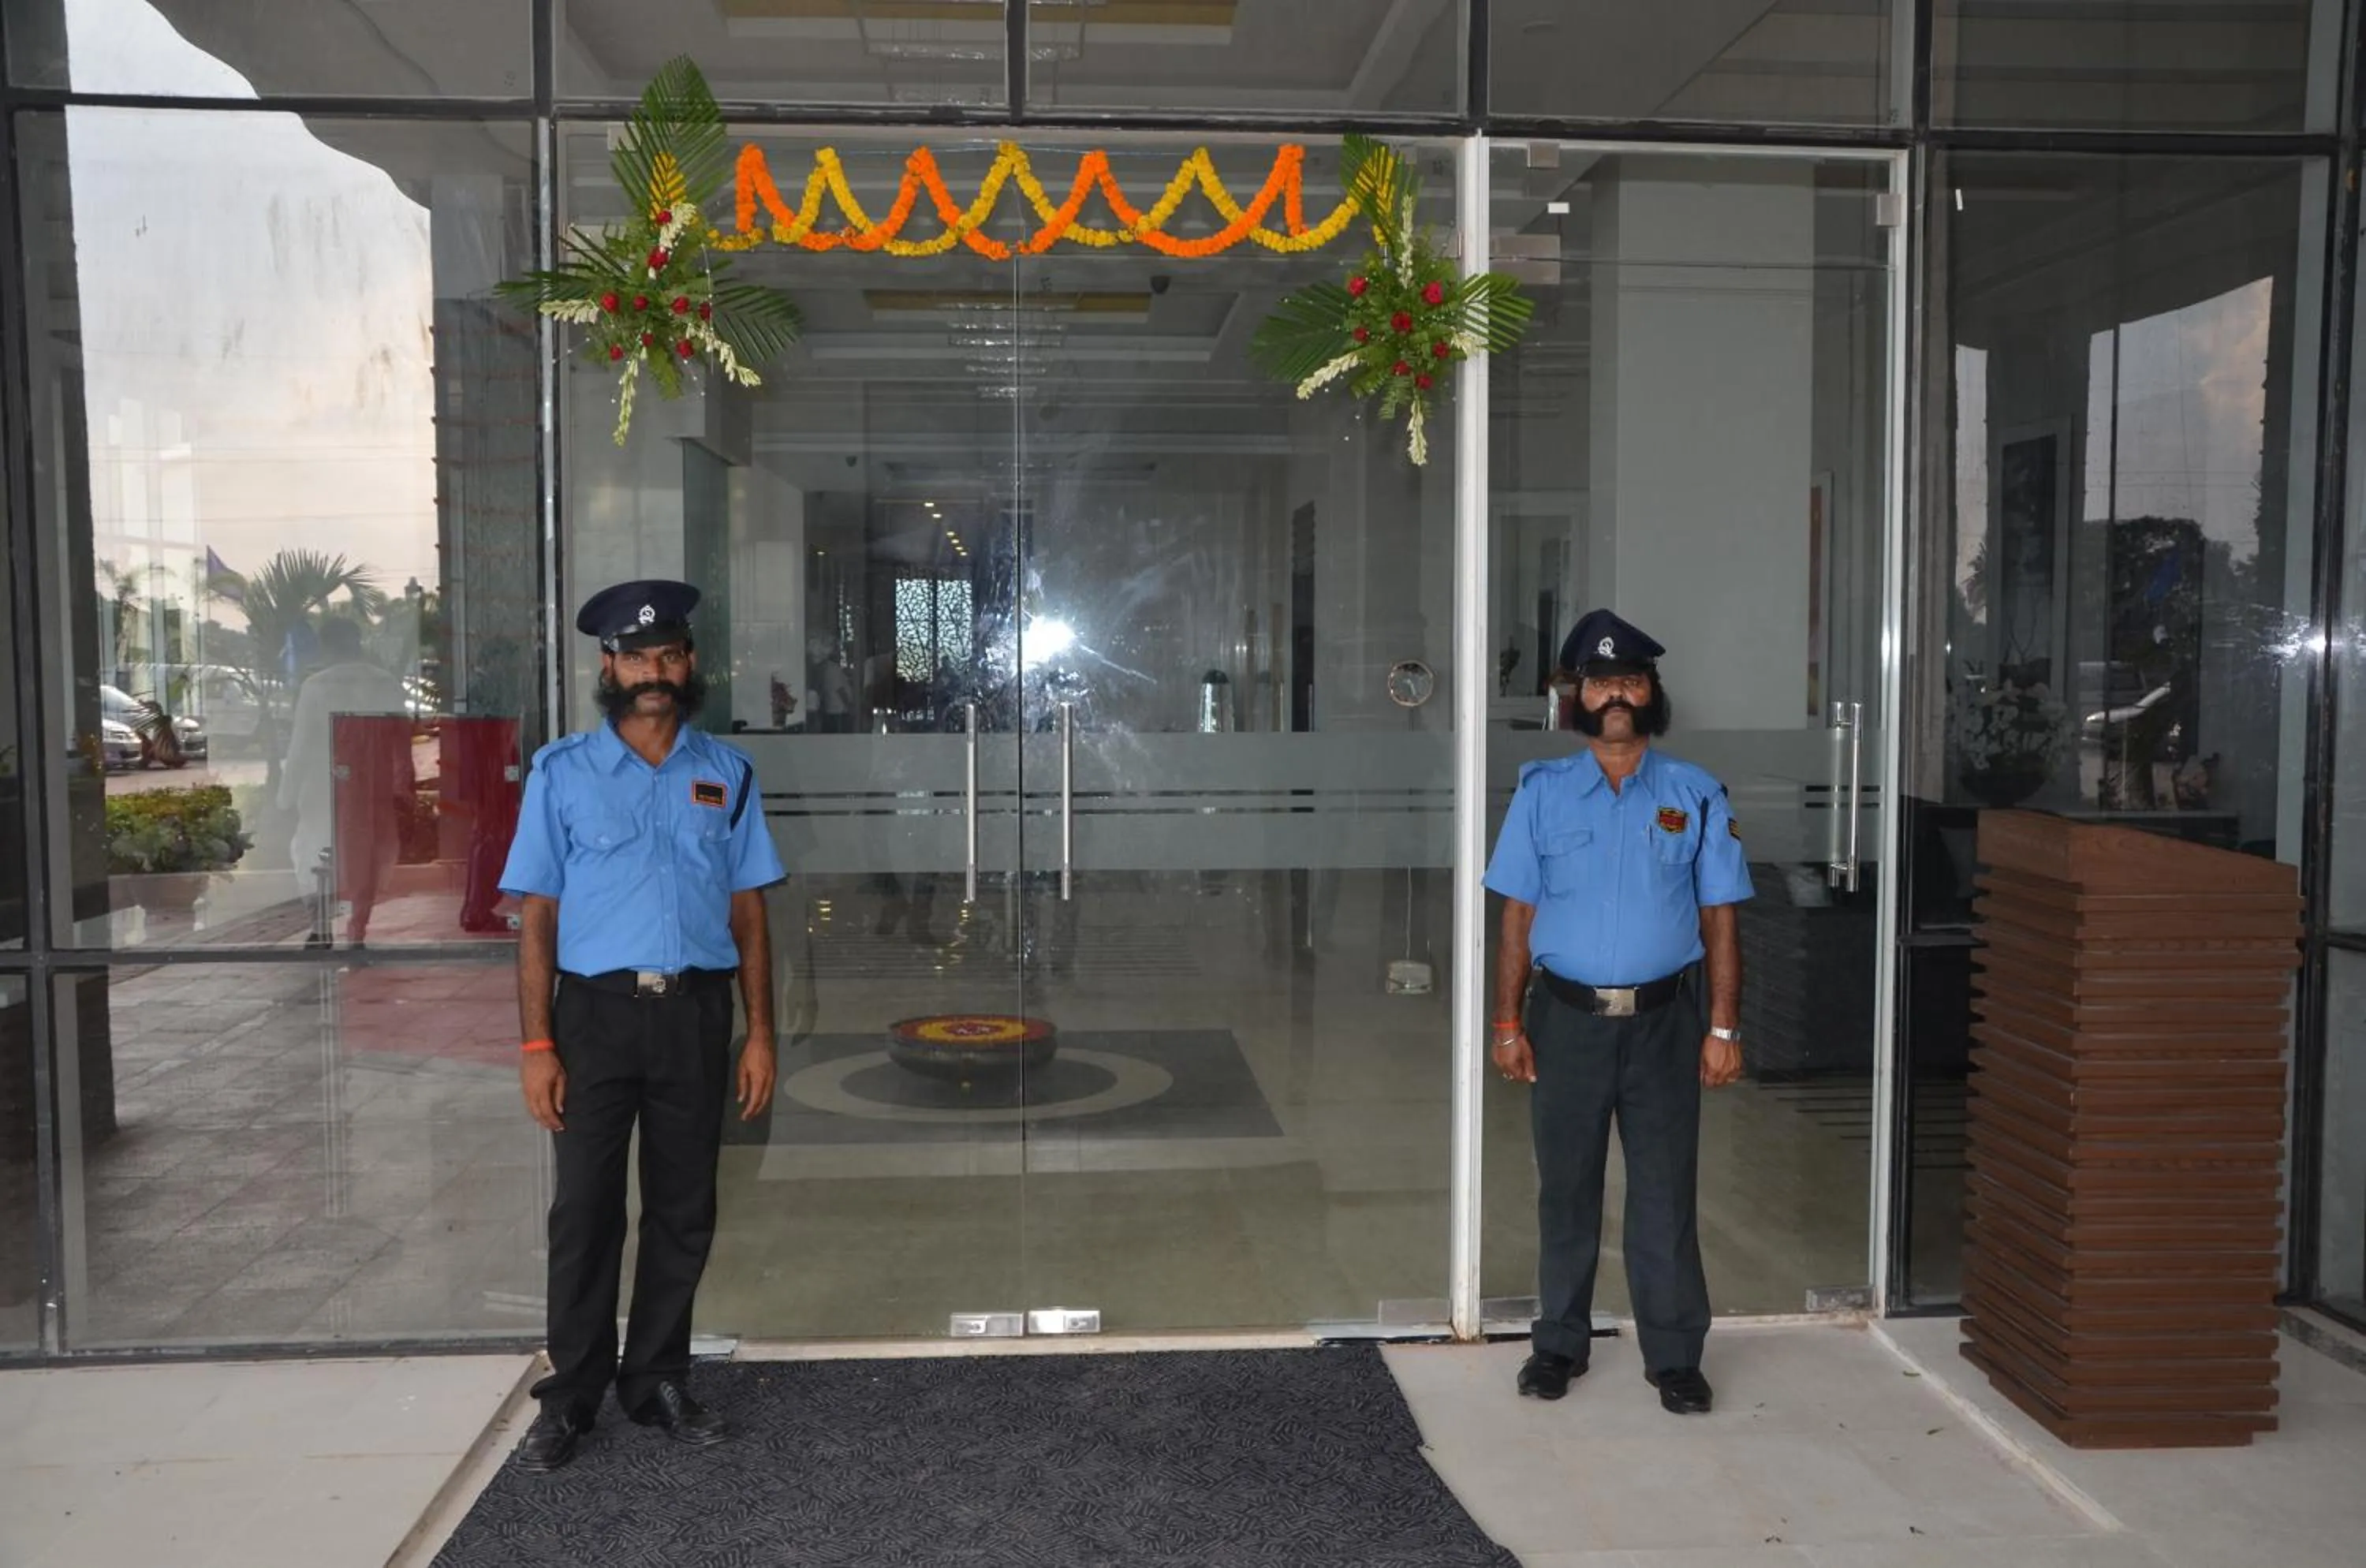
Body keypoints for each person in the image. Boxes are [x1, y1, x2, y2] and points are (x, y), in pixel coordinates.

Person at [497, 579, 786, 1473]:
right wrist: (538, 1042)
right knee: (585, 1209)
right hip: (593, 1015)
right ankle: (574, 1391)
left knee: (681, 1205)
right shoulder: (561, 773)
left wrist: (761, 1031)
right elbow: (537, 915)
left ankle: (655, 1375)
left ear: (689, 665)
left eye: (667, 657)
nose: (652, 673)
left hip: (695, 1015)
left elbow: (748, 911)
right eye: (635, 658)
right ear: (607, 666)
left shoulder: (727, 774)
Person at [1483, 608, 1752, 1416]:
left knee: (1665, 1191)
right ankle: (1557, 1344)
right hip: (1564, 1021)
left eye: (1630, 680)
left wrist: (1724, 1026)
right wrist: (1506, 1019)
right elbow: (1517, 917)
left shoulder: (1695, 793)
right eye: (1600, 682)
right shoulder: (1540, 793)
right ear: (1576, 697)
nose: (1615, 696)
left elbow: (1721, 920)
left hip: (1668, 1021)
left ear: (1652, 692)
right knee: (1566, 1189)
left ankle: (1674, 1356)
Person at [278, 615, 411, 943]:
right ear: (357, 642)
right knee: (366, 854)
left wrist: (285, 795)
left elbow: (301, 744)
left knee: (315, 852)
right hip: (371, 787)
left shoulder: (316, 686)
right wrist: (403, 783)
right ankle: (358, 928)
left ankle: (321, 926)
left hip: (323, 786)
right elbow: (402, 742)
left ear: (326, 647)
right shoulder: (386, 683)